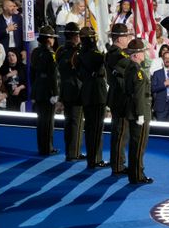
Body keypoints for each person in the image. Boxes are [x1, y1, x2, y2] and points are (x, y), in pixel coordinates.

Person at [120, 39, 154, 184]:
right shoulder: (137, 71)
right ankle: (137, 175)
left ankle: (135, 173)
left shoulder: (130, 68)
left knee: (136, 144)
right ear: (136, 55)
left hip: (132, 110)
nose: (143, 54)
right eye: (141, 52)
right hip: (139, 112)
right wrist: (141, 113)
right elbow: (139, 94)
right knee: (139, 144)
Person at [76, 27, 110, 169]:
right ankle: (95, 159)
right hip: (97, 94)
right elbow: (104, 69)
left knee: (89, 128)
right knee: (96, 128)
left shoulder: (78, 55)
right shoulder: (96, 55)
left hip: (86, 93)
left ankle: (91, 158)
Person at [106, 23, 133, 175]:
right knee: (120, 132)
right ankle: (118, 165)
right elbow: (129, 69)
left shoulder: (115, 52)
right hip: (120, 96)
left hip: (118, 95)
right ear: (119, 38)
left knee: (121, 132)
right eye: (126, 36)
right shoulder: (117, 54)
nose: (128, 38)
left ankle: (118, 162)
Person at [56, 23, 85, 161]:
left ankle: (69, 150)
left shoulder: (61, 51)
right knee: (76, 123)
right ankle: (74, 153)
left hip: (65, 90)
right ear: (76, 36)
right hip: (76, 91)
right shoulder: (77, 52)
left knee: (69, 122)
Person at [31, 26, 60, 156]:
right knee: (48, 121)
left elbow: (32, 73)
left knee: (40, 120)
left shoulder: (35, 52)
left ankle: (41, 147)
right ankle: (48, 148)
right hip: (48, 91)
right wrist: (55, 93)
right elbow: (53, 75)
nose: (53, 40)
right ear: (48, 39)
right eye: (52, 38)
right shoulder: (51, 54)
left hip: (38, 89)